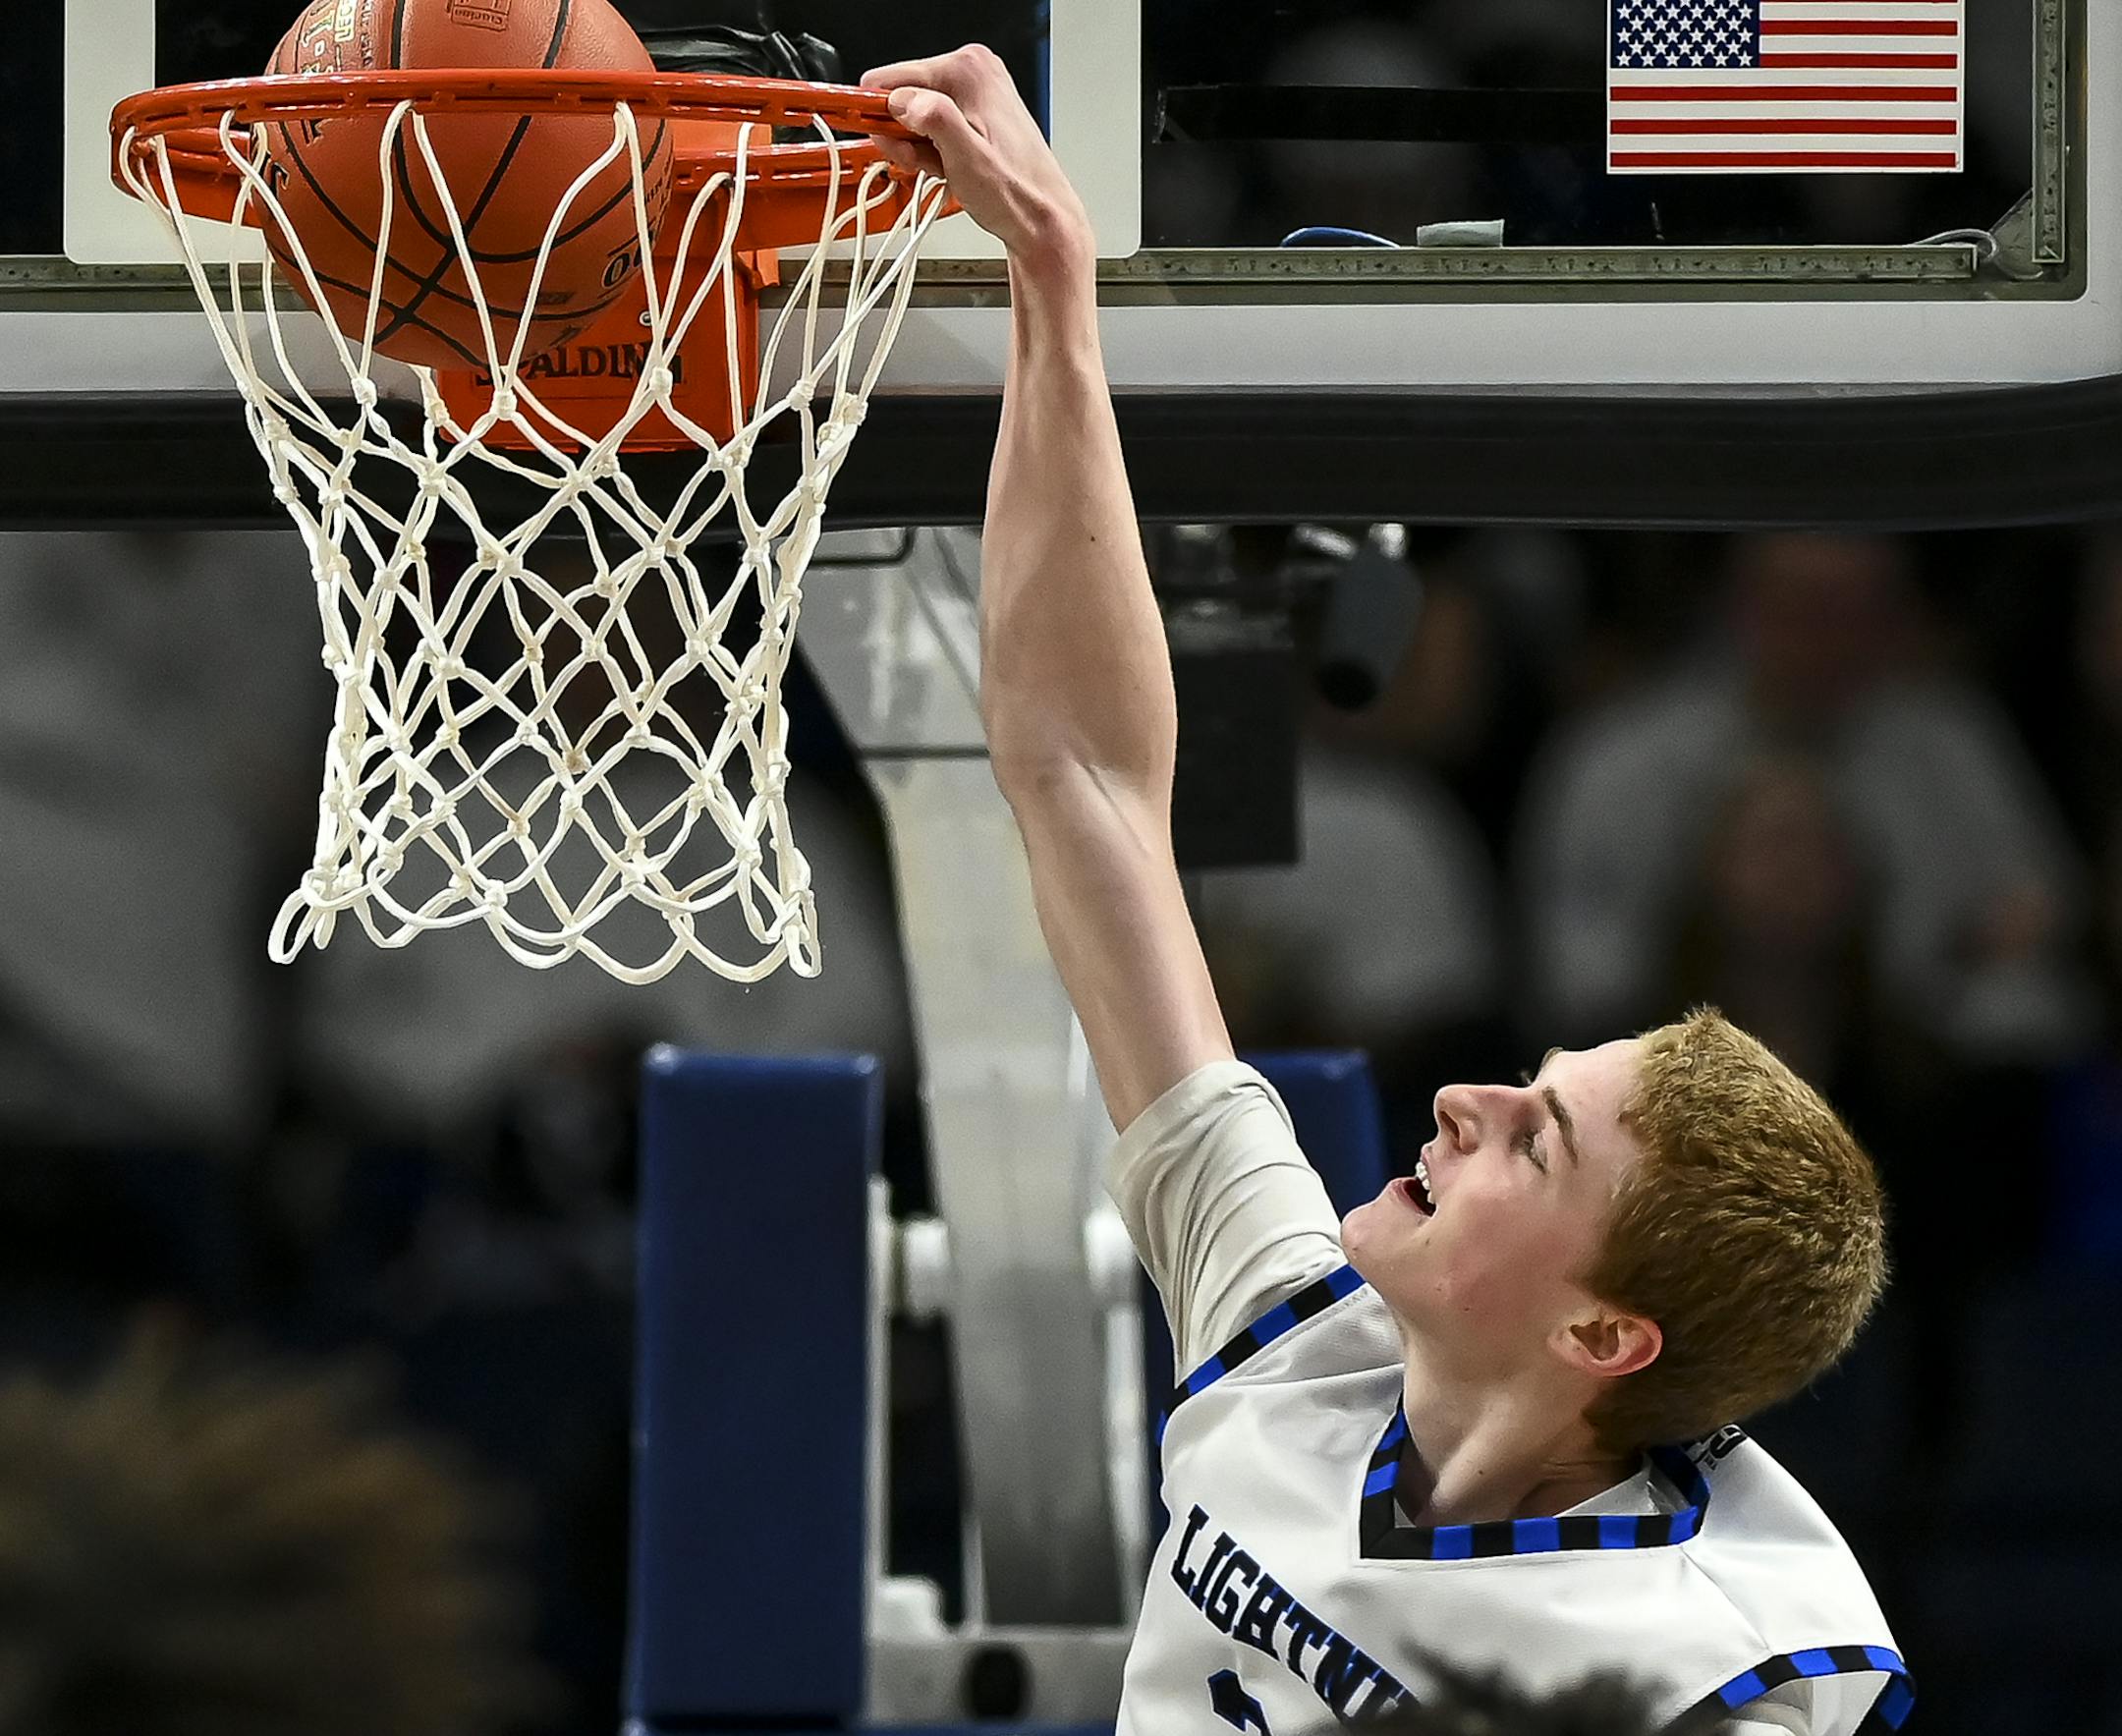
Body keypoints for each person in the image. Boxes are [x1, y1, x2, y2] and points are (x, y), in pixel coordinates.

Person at [865, 46, 1907, 1736]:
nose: (1465, 1099)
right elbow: (1084, 781)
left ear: (1603, 1338)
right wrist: (1056, 289)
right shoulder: (1304, 1342)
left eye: (1538, 1139)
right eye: (1531, 1088)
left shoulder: (1741, 1671)